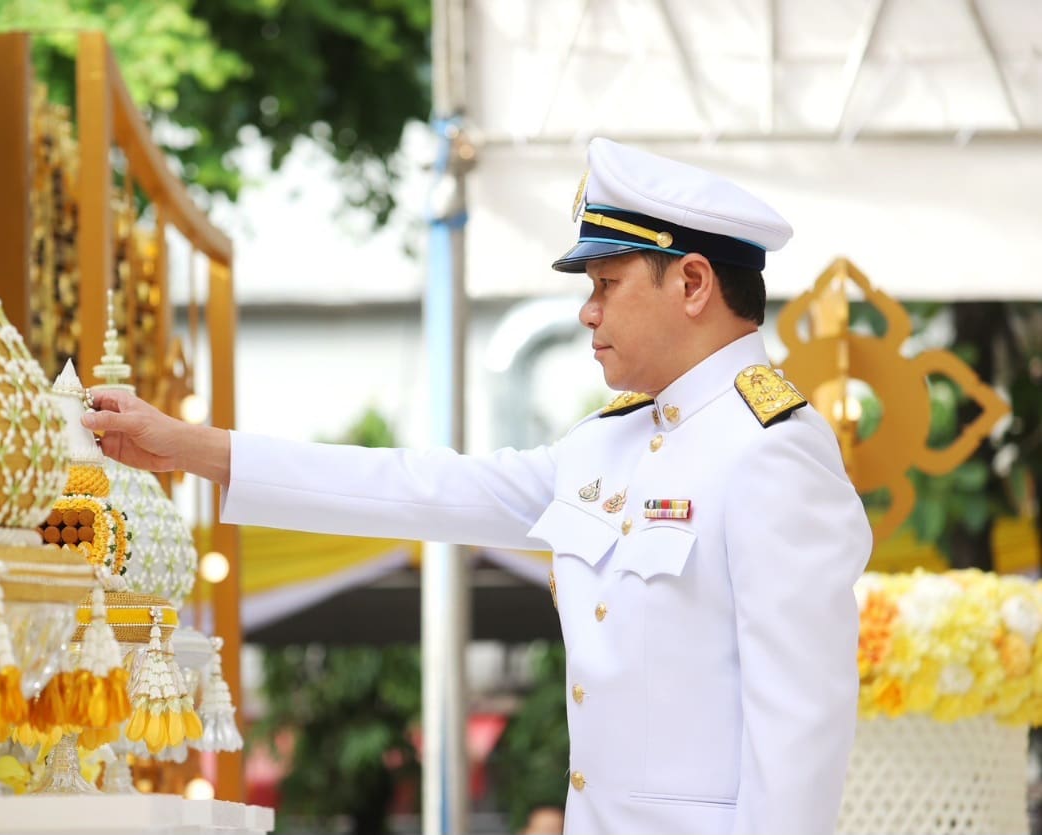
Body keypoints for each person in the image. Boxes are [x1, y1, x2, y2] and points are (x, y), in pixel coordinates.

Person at [83, 138, 872, 835]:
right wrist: (193, 448)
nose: (588, 313)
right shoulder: (607, 440)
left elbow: (799, 731)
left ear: (693, 281)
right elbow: (420, 488)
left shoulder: (771, 452)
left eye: (606, 283)